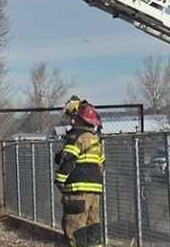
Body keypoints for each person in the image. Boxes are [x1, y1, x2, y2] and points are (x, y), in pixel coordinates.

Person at [54, 102, 105, 246]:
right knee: (92, 228)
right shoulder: (96, 140)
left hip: (77, 191)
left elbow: (67, 161)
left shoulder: (75, 137)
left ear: (78, 119)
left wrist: (59, 181)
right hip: (94, 191)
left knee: (75, 229)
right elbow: (102, 164)